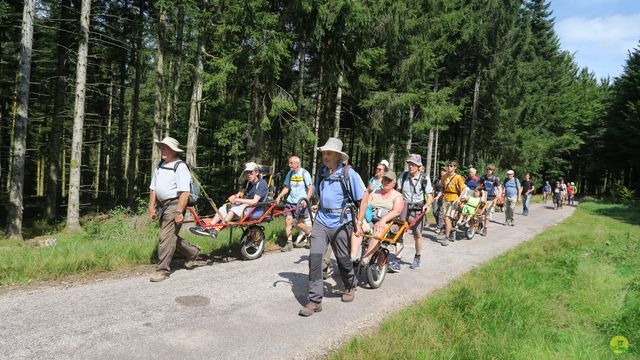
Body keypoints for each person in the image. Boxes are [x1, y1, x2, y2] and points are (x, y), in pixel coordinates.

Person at [299, 138, 366, 317]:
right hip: (321, 220)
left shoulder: (348, 173)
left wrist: (359, 222)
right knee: (315, 258)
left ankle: (350, 285)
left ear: (337, 156)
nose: (325, 156)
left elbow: (363, 197)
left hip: (341, 222)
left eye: (329, 153)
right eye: (324, 153)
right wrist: (318, 204)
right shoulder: (322, 173)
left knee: (343, 259)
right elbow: (324, 194)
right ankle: (314, 300)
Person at [148, 137, 200, 282]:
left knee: (165, 237)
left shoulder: (180, 166)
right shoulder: (160, 165)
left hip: (174, 205)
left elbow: (185, 192)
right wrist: (151, 206)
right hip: (161, 205)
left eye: (165, 147)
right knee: (170, 236)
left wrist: (178, 212)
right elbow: (153, 188)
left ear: (173, 150)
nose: (162, 150)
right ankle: (193, 252)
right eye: (161, 147)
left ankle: (162, 270)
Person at [191, 162, 269, 238]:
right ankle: (209, 227)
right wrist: (235, 196)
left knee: (233, 209)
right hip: (247, 206)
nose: (248, 174)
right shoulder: (248, 183)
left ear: (256, 173)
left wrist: (237, 200)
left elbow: (254, 201)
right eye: (247, 173)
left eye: (251, 172)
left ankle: (217, 229)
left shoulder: (261, 184)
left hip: (257, 209)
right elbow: (240, 193)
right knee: (224, 207)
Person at [354, 171, 404, 265]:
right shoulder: (375, 192)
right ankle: (352, 256)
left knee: (379, 228)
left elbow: (396, 211)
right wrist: (361, 219)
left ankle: (366, 258)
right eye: (385, 179)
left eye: (389, 180)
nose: (386, 182)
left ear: (394, 183)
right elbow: (366, 205)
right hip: (370, 219)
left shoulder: (397, 196)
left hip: (388, 222)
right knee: (357, 227)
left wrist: (383, 220)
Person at [396, 154, 433, 269]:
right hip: (404, 209)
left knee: (417, 235)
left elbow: (430, 195)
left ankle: (417, 257)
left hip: (418, 211)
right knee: (399, 234)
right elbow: (397, 192)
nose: (410, 166)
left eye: (413, 164)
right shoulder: (403, 176)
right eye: (409, 164)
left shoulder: (424, 178)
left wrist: (427, 205)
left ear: (418, 166)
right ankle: (397, 260)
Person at [275, 156, 313, 251]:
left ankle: (310, 232)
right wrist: (279, 196)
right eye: (289, 163)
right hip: (290, 201)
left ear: (297, 163)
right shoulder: (290, 173)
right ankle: (289, 243)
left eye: (291, 163)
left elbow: (310, 189)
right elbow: (287, 187)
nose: (289, 165)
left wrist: (306, 200)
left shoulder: (305, 173)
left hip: (301, 203)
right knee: (288, 220)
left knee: (297, 223)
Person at [439, 161, 466, 245]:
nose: (449, 167)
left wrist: (459, 198)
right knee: (445, 218)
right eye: (448, 165)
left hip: (453, 199)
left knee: (447, 218)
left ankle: (446, 237)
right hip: (445, 198)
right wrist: (437, 196)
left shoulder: (458, 177)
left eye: (451, 166)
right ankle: (452, 230)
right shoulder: (444, 176)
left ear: (455, 168)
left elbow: (463, 189)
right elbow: (442, 188)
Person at [480, 164, 502, 236]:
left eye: (490, 170)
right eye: (488, 169)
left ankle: (485, 228)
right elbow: (479, 186)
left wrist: (498, 196)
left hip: (491, 198)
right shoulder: (483, 177)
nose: (489, 171)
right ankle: (481, 224)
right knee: (479, 213)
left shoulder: (495, 179)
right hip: (483, 198)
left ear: (493, 171)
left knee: (488, 214)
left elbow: (500, 189)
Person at [431, 167, 447, 235]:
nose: (442, 172)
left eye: (444, 171)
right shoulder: (437, 179)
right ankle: (439, 224)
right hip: (436, 197)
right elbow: (434, 188)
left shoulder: (447, 180)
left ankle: (439, 227)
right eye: (441, 170)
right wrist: (432, 196)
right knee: (434, 212)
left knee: (440, 212)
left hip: (444, 197)